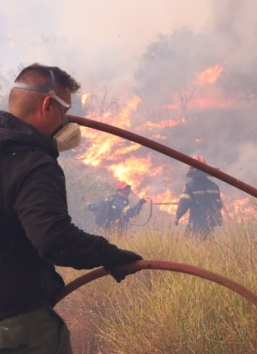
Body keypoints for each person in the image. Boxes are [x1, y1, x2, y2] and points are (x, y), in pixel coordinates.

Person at [0, 63, 143, 353]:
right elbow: (53, 238)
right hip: (18, 328)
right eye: (65, 112)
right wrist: (109, 254)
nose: (67, 121)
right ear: (47, 106)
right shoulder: (34, 165)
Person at [175, 156, 223, 239]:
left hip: (196, 221)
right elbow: (219, 205)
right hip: (210, 222)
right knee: (208, 243)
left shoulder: (190, 186)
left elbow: (184, 203)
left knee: (190, 243)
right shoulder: (214, 186)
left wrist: (178, 217)